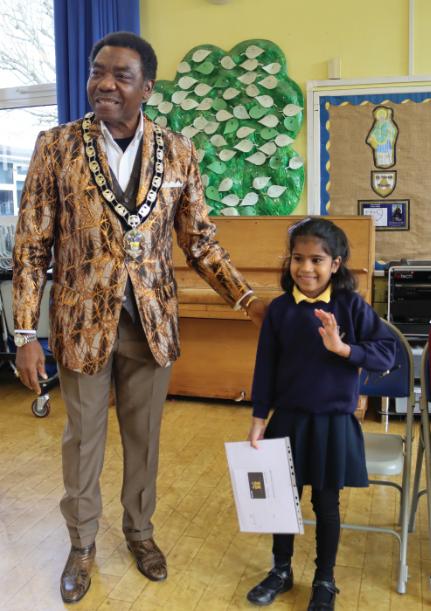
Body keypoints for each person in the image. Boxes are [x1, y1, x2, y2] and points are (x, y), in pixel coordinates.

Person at [12, 31, 266, 604]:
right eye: (97, 72)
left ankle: (139, 532)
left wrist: (247, 299)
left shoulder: (178, 151)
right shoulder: (56, 147)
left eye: (121, 75)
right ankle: (82, 544)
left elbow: (200, 241)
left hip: (152, 323)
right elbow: (31, 244)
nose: (105, 84)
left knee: (144, 439)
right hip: (80, 323)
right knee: (83, 440)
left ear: (146, 87)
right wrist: (26, 332)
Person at [246, 218, 396, 610]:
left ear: (336, 264)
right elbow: (265, 367)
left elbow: (387, 353)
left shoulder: (350, 305)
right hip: (288, 419)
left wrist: (343, 349)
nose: (306, 268)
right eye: (298, 258)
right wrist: (259, 419)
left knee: (326, 506)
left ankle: (325, 579)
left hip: (333, 423)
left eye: (317, 259)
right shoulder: (280, 310)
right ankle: (281, 570)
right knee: (282, 500)